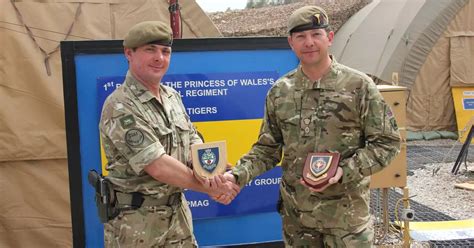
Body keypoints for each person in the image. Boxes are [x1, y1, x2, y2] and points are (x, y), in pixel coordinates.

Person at [220, 6, 401, 247]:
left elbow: (387, 143)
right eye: (301, 37)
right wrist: (237, 175)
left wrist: (343, 171)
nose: (309, 42)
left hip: (346, 223)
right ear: (290, 43)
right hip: (299, 222)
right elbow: (267, 149)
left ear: (330, 37)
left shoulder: (359, 86)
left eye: (316, 34)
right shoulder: (280, 92)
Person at [99, 21, 239, 247]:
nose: (159, 58)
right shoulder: (120, 106)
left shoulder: (172, 97)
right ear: (129, 53)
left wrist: (213, 173)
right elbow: (157, 165)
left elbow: (193, 140)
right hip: (137, 223)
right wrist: (211, 188)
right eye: (150, 50)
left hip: (178, 217)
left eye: (165, 51)